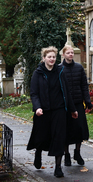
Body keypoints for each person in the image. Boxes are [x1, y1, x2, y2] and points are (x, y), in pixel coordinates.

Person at [27, 46, 78, 178]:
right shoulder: (37, 73)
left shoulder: (60, 72)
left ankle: (58, 167)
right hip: (43, 111)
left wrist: (73, 109)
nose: (52, 59)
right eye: (49, 57)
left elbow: (67, 92)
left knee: (59, 137)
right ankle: (38, 152)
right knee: (42, 136)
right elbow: (34, 93)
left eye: (54, 57)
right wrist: (37, 107)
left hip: (59, 110)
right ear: (44, 58)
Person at [61, 45, 93, 166]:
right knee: (66, 130)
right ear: (64, 55)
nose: (70, 54)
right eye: (68, 53)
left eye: (72, 53)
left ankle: (77, 152)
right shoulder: (59, 69)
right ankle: (66, 155)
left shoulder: (79, 68)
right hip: (65, 105)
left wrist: (88, 101)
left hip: (78, 102)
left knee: (79, 129)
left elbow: (84, 86)